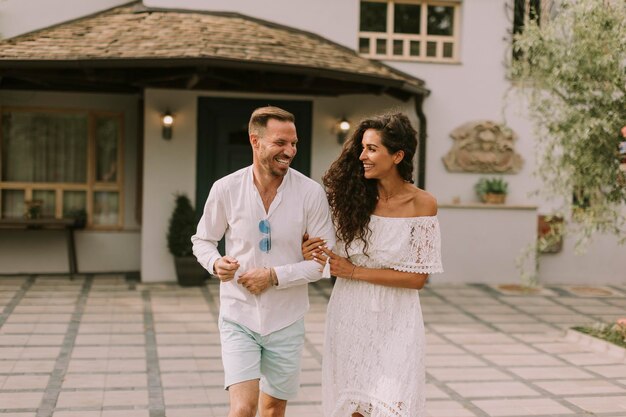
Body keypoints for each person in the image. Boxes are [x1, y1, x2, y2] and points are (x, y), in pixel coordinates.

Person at [192, 106, 336, 417]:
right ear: (255, 141)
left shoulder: (311, 193)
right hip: (237, 315)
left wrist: (273, 275)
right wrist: (215, 263)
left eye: (294, 143)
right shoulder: (226, 188)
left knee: (272, 409)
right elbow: (202, 240)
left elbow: (323, 261)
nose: (290, 151)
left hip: (287, 319)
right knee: (243, 409)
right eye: (280, 143)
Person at [302, 112, 443, 417]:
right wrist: (308, 249)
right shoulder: (348, 199)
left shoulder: (423, 203)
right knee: (354, 405)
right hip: (350, 313)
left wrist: (353, 272)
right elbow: (327, 254)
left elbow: (418, 279)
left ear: (398, 155)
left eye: (372, 149)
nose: (362, 156)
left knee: (395, 403)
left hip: (399, 319)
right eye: (362, 148)